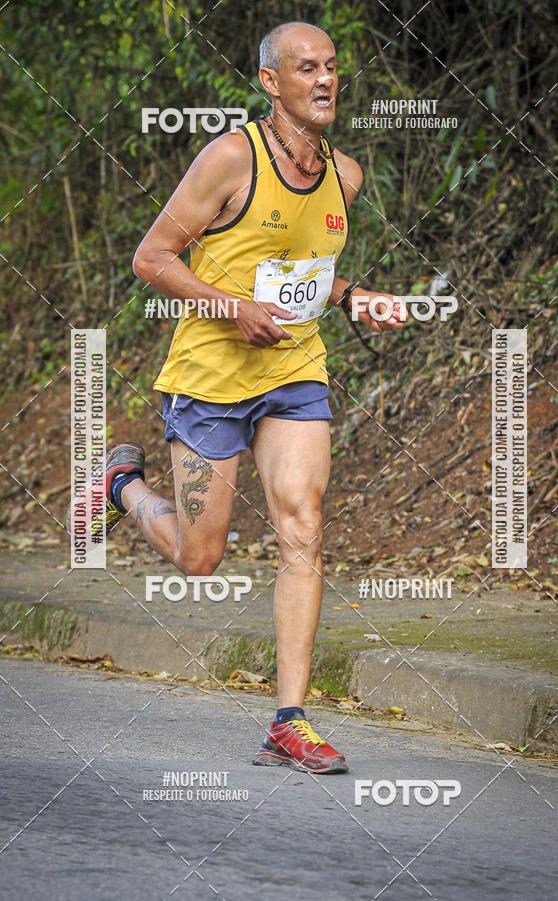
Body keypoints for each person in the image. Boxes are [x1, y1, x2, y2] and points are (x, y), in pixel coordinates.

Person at [67, 21, 406, 773]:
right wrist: (230, 307)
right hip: (210, 380)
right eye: (305, 68)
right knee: (200, 557)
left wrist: (356, 298)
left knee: (304, 525)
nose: (323, 80)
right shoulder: (230, 158)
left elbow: (310, 274)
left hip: (293, 372)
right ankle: (121, 484)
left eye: (331, 67)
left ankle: (290, 720)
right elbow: (151, 256)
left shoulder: (344, 175)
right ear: (270, 82)